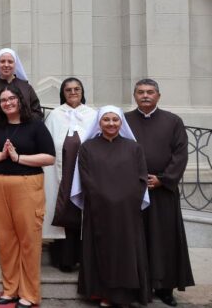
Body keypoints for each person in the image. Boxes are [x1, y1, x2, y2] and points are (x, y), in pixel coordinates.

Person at [0, 85, 55, 307]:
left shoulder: (36, 126)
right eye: (3, 100)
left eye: (12, 98)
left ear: (20, 100)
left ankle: (29, 294)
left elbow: (49, 157)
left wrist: (18, 158)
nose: (8, 102)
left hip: (27, 185)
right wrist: (1, 155)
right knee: (5, 240)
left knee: (29, 240)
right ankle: (10, 290)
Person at [72, 106, 151, 307]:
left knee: (126, 253)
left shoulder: (134, 148)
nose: (111, 124)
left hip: (126, 212)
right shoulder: (87, 147)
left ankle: (125, 296)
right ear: (99, 123)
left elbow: (141, 178)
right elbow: (85, 178)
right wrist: (105, 198)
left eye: (115, 120)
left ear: (121, 122)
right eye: (106, 120)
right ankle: (103, 293)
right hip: (99, 209)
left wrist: (124, 198)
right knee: (102, 252)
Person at [124, 79, 195, 306]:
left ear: (158, 96)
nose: (145, 95)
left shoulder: (173, 121)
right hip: (133, 191)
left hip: (163, 191)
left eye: (150, 92)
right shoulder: (124, 120)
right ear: (134, 96)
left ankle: (165, 288)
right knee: (137, 239)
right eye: (141, 92)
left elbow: (180, 153)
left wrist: (164, 180)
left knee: (164, 240)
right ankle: (138, 286)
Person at [0, 48, 43, 239]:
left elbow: (37, 112)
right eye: (2, 62)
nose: (6, 65)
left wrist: (22, 122)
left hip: (24, 142)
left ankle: (20, 227)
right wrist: (0, 123)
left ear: (15, 65)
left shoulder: (26, 87)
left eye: (9, 62)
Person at [43, 77, 96, 272]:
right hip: (61, 176)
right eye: (68, 90)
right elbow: (48, 146)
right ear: (62, 94)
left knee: (84, 214)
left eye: (77, 89)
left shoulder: (92, 115)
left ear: (82, 92)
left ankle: (85, 258)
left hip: (84, 177)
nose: (73, 92)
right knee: (64, 212)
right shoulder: (55, 116)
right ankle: (64, 259)